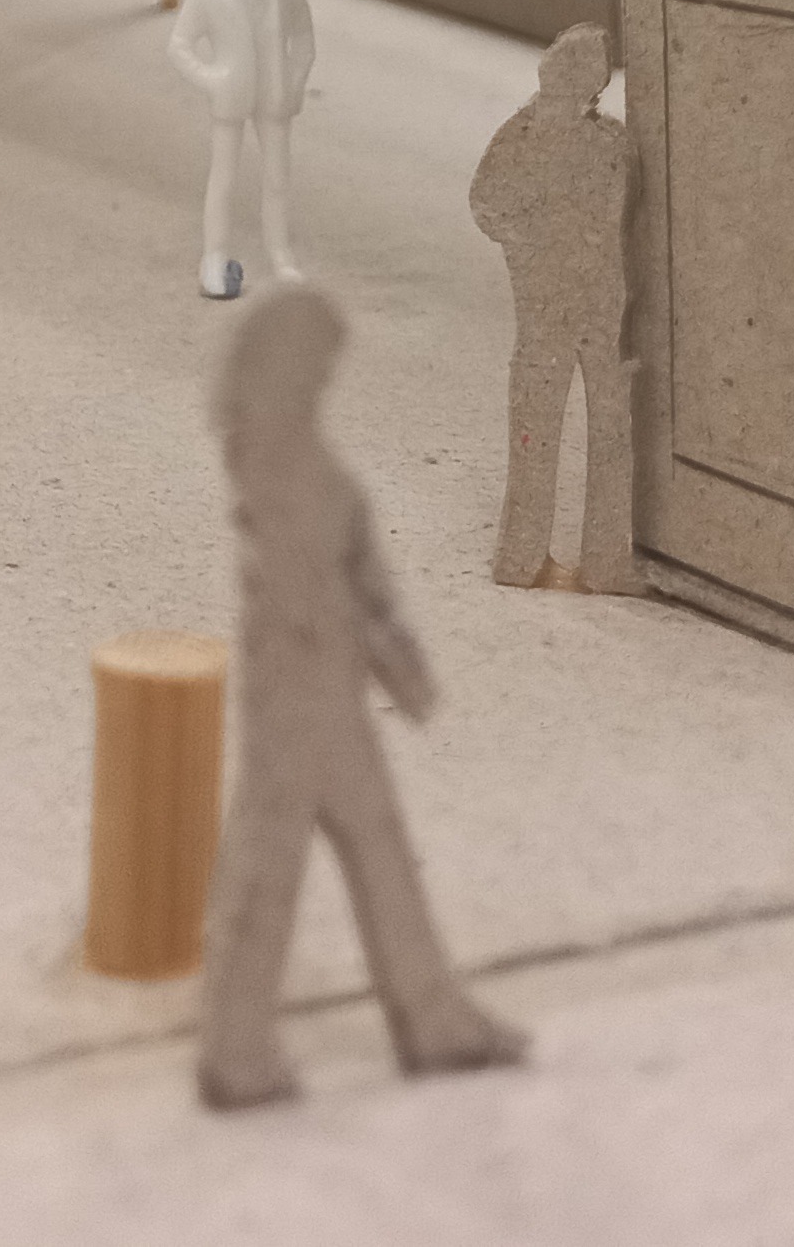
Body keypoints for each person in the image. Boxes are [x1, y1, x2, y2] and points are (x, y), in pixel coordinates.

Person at [197, 287, 527, 1109]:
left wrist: (399, 664)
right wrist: (377, 650)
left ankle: (427, 1018)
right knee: (270, 866)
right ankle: (239, 1047)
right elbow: (315, 592)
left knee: (370, 849)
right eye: (313, 365)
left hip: (331, 697)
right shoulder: (274, 474)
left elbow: (365, 589)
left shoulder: (324, 476)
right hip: (293, 700)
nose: (322, 378)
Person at [470, 23, 637, 591]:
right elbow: (486, 204)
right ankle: (522, 557)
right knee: (538, 427)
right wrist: (533, 254)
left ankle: (606, 559)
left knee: (610, 429)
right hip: (546, 311)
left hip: (604, 309)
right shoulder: (521, 135)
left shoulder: (611, 144)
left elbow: (631, 221)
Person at [169, 0, 313, 298]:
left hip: (274, 94)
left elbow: (304, 39)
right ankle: (213, 258)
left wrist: (295, 83)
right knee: (224, 179)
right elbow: (179, 44)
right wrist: (210, 78)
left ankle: (281, 256)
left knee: (278, 177)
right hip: (231, 95)